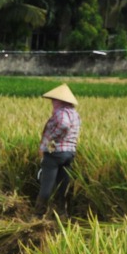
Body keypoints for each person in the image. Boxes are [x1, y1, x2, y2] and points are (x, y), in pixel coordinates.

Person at [36, 83, 80, 217]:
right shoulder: (74, 114)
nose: (52, 102)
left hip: (56, 154)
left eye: (54, 100)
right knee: (63, 185)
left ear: (60, 100)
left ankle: (37, 215)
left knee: (46, 186)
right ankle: (62, 213)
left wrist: (50, 140)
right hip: (69, 153)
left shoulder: (61, 113)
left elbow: (64, 126)